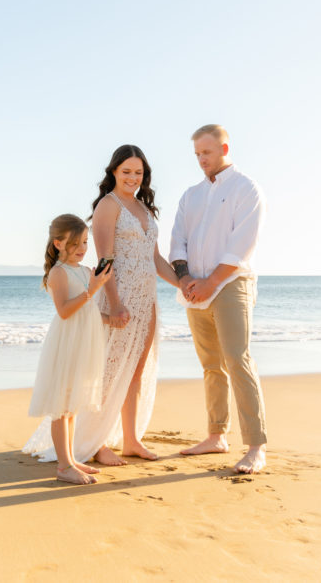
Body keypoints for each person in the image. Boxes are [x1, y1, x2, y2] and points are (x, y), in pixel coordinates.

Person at [170, 125, 268, 474]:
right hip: (194, 288)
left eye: (206, 152)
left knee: (237, 359)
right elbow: (178, 240)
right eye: (197, 154)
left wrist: (212, 281)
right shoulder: (190, 195)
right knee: (211, 365)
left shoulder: (246, 188)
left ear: (225, 147)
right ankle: (216, 436)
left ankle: (256, 446)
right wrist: (185, 280)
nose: (201, 159)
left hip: (230, 284)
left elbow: (243, 243)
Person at [80, 145, 182, 465]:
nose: (133, 178)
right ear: (113, 171)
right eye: (126, 172)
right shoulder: (107, 207)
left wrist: (184, 285)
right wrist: (114, 305)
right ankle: (95, 443)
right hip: (118, 298)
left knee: (135, 372)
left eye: (138, 173)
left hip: (146, 300)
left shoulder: (144, 209)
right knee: (109, 372)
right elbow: (104, 261)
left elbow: (155, 260)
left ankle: (131, 440)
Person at [23, 214, 112, 485]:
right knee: (61, 406)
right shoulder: (58, 273)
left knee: (72, 406)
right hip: (67, 343)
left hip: (83, 341)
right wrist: (93, 288)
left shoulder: (85, 271)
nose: (83, 248)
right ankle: (63, 467)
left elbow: (87, 311)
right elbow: (64, 311)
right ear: (59, 243)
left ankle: (71, 459)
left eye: (85, 242)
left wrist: (111, 319)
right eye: (76, 243)